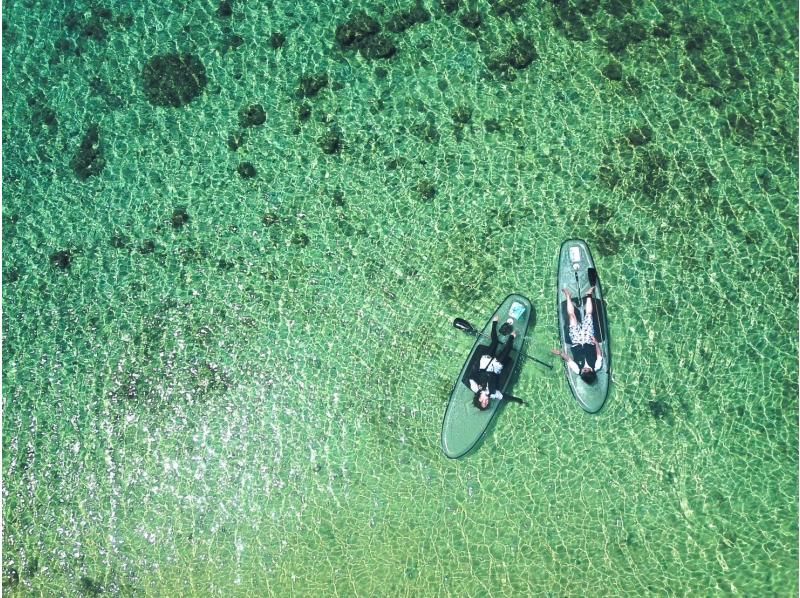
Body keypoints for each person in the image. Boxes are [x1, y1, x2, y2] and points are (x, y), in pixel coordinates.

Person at [468, 316, 524, 410]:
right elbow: (504, 397)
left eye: (483, 402)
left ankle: (494, 324)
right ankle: (511, 337)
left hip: (485, 364)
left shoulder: (475, 388)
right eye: (486, 403)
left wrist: (478, 384)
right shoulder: (493, 394)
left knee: (495, 342)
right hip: (495, 368)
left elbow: (470, 376)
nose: (486, 401)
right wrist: (519, 400)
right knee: (507, 350)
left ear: (479, 399)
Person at [551, 286, 603, 384]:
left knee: (572, 317)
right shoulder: (596, 366)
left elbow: (569, 359)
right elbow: (599, 354)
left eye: (583, 371)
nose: (584, 369)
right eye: (586, 370)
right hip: (588, 339)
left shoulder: (577, 370)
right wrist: (596, 342)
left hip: (576, 340)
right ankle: (588, 295)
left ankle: (568, 296)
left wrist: (560, 353)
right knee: (588, 315)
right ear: (591, 371)